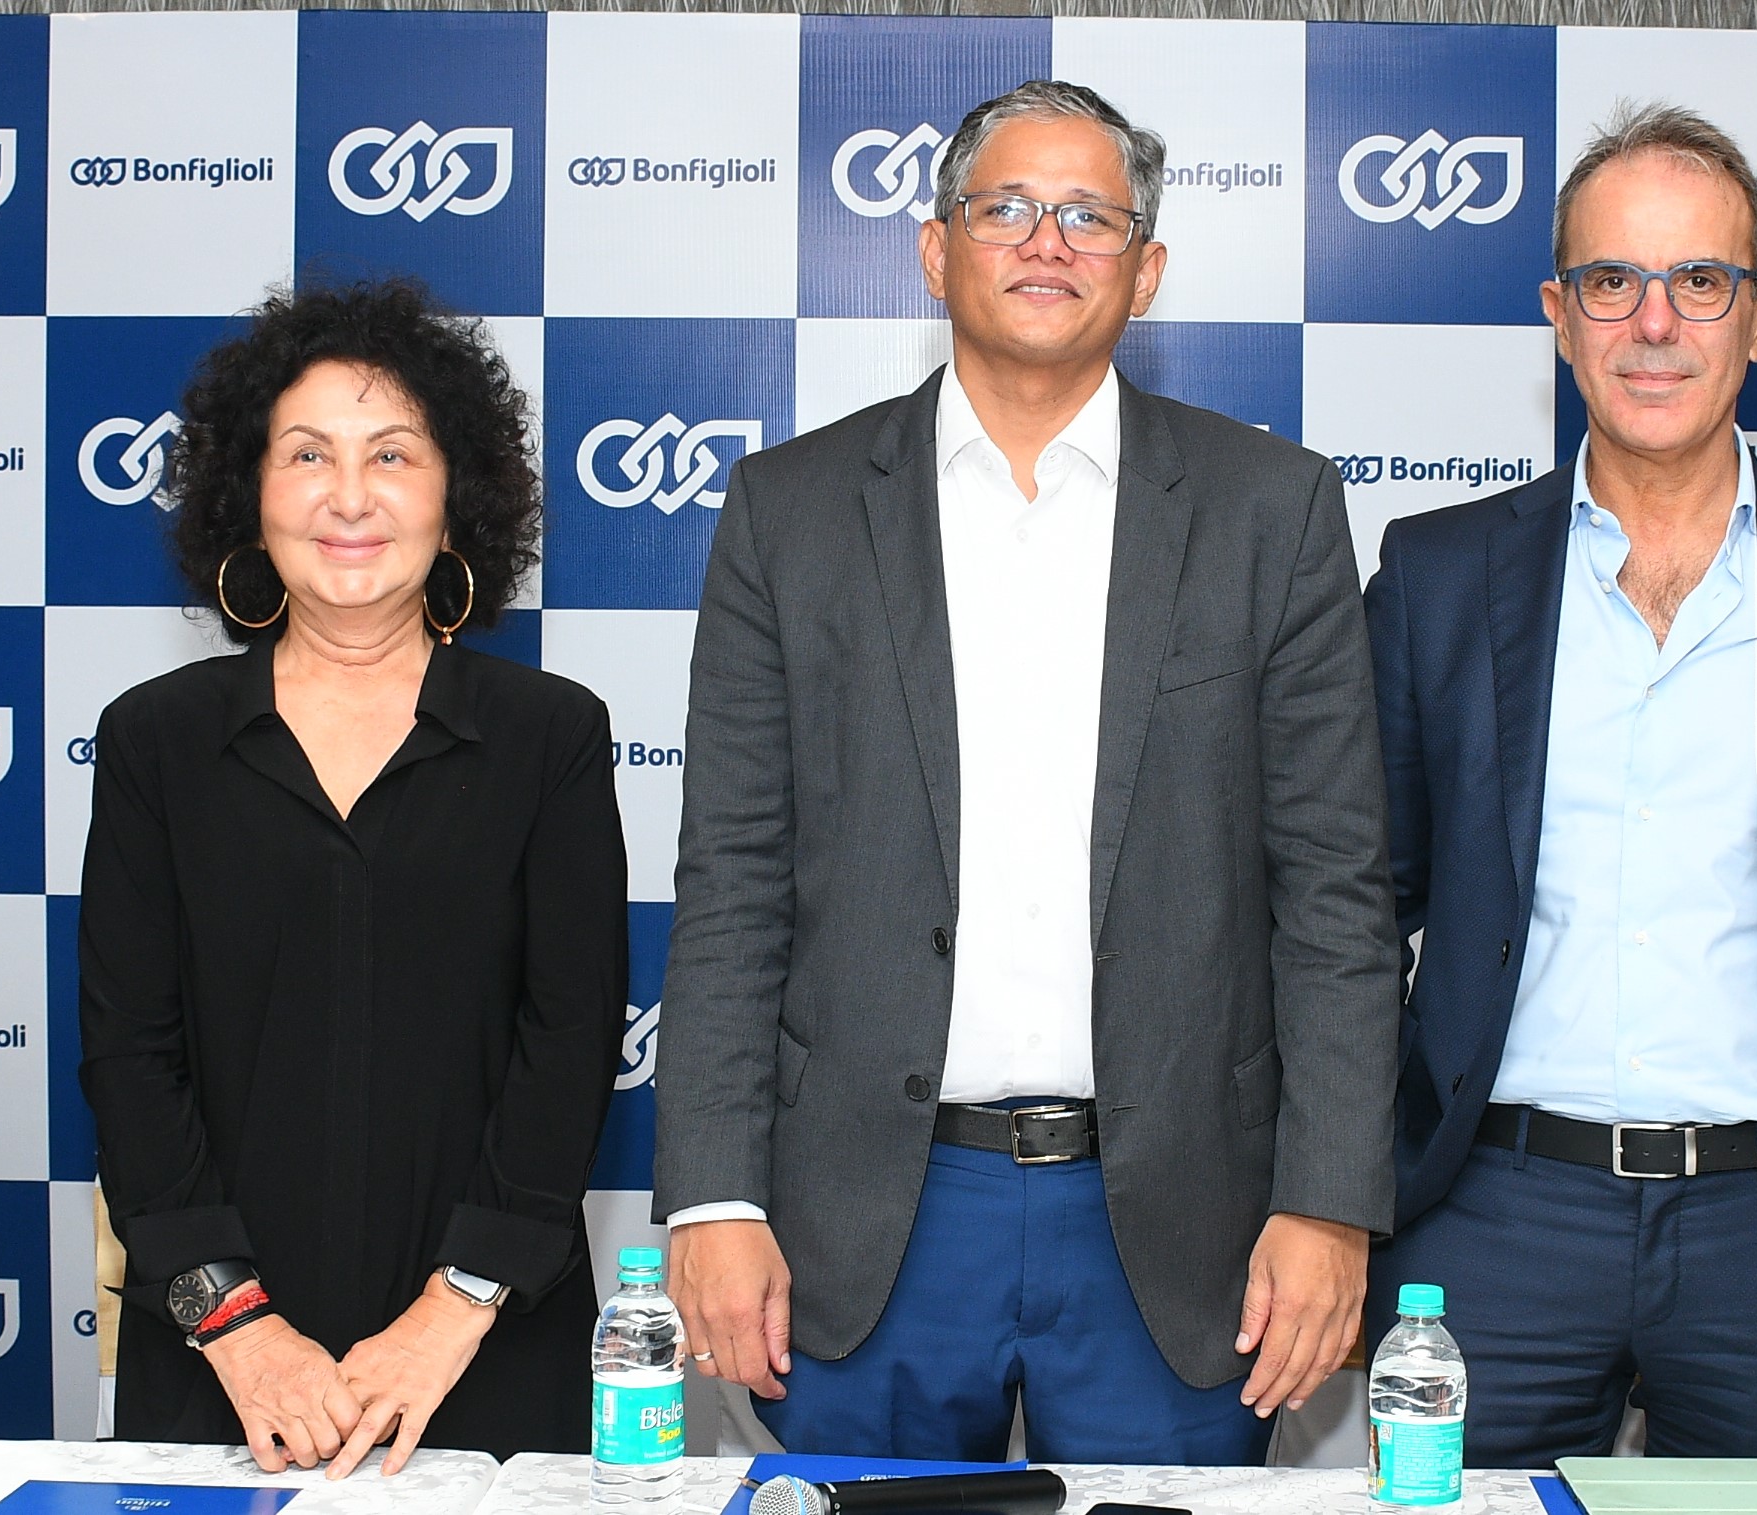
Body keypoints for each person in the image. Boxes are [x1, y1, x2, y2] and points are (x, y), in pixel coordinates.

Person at [655, 79, 1402, 1465]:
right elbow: (733, 882)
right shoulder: (788, 510)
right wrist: (711, 1196)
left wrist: (1329, 1199)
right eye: (1003, 207)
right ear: (934, 250)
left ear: (1146, 269)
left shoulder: (1271, 510)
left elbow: (1334, 896)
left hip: (1177, 1223)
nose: (1045, 241)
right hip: (861, 1219)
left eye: (1088, 216)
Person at [1361, 102, 1757, 1463]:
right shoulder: (1434, 575)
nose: (1653, 323)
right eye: (1610, 280)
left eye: (1699, 280)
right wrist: (1365, 1185)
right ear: (1558, 314)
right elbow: (1354, 907)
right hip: (1490, 1224)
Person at [79, 279, 624, 1473]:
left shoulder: (550, 737)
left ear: (455, 492)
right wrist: (236, 1325)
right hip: (220, 1358)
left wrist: (451, 1312)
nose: (349, 496)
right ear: (247, 493)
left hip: (485, 1348)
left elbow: (570, 1040)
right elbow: (129, 1054)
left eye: (392, 454)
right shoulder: (154, 740)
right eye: (306, 454)